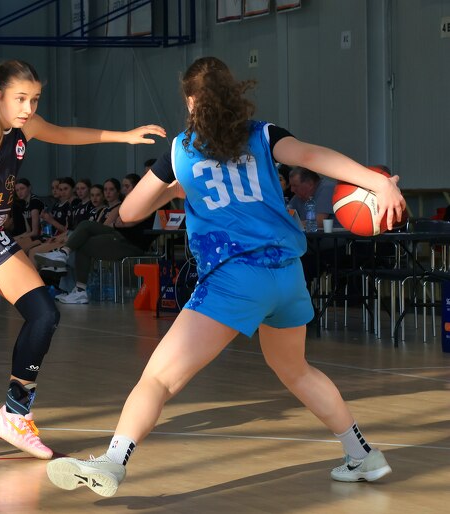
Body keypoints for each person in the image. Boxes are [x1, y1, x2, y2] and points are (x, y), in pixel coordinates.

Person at [46, 56, 404, 496]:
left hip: (234, 279)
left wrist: (175, 186)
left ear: (190, 100)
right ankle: (362, 454)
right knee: (296, 370)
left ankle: (113, 461)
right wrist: (378, 182)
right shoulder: (264, 134)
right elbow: (312, 156)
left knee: (158, 379)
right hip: (287, 275)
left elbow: (130, 211)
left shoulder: (180, 150)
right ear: (234, 94)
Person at [0, 59, 165, 459]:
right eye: (20, 99)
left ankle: (14, 413)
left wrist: (122, 137)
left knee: (44, 314)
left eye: (35, 99)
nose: (28, 108)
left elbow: (66, 134)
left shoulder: (26, 127)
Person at [35, 174, 155, 304]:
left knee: (83, 244)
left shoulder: (147, 201)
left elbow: (129, 222)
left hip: (131, 243)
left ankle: (79, 288)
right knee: (85, 225)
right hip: (118, 235)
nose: (124, 190)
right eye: (123, 186)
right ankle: (64, 254)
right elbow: (121, 222)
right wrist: (120, 223)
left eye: (127, 186)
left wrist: (121, 223)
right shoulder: (129, 202)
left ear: (137, 187)